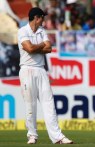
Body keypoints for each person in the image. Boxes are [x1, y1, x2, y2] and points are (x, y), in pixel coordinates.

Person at [17, 7, 73, 144]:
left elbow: (49, 48)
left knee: (49, 104)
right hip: (27, 70)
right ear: (37, 18)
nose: (44, 20)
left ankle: (57, 137)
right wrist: (41, 45)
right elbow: (29, 49)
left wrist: (37, 46)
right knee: (30, 105)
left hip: (41, 70)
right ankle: (32, 135)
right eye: (42, 17)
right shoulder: (22, 31)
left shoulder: (42, 31)